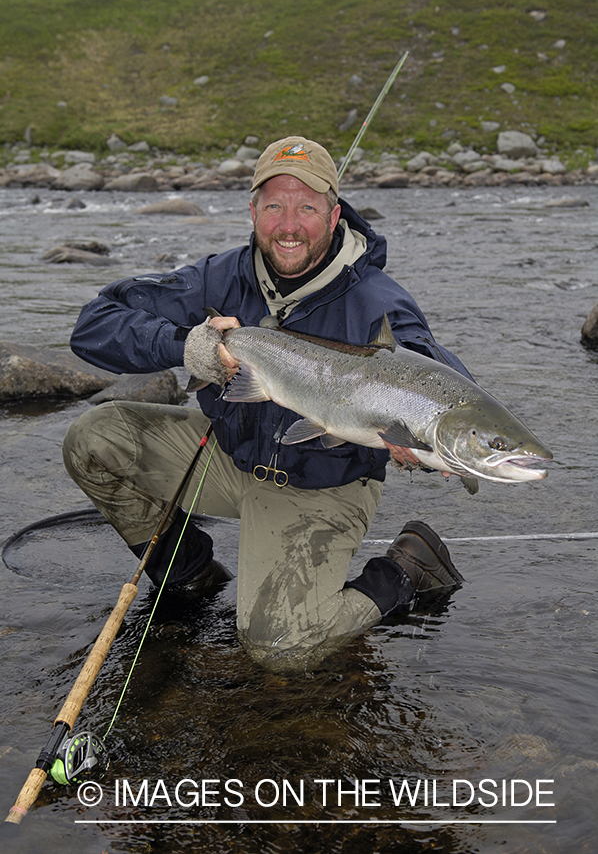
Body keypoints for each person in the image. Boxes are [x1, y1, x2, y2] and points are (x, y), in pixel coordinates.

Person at [63, 136, 468, 673]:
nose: (289, 225)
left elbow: (447, 381)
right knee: (92, 440)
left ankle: (406, 572)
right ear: (252, 211)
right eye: (274, 206)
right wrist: (187, 345)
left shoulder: (378, 302)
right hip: (227, 458)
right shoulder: (220, 277)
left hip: (321, 486)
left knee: (278, 647)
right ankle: (191, 574)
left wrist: (430, 437)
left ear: (334, 214)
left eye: (307, 207)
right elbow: (95, 325)